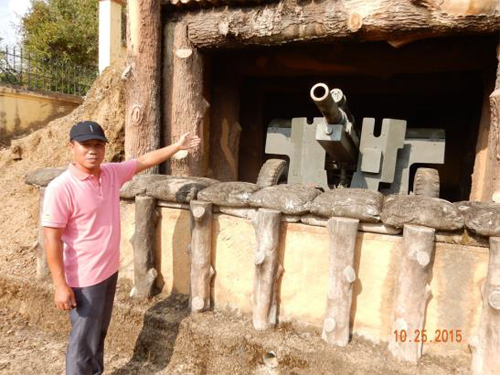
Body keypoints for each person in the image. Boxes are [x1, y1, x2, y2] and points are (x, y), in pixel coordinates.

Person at [42, 120, 201, 375]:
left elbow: (145, 160)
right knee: (83, 343)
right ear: (71, 147)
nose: (92, 151)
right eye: (85, 145)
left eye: (98, 145)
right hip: (83, 279)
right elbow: (51, 239)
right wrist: (60, 285)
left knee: (97, 335)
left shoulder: (110, 173)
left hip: (108, 272)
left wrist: (177, 146)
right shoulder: (61, 188)